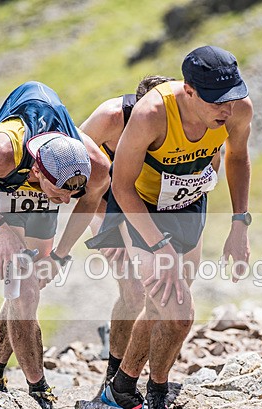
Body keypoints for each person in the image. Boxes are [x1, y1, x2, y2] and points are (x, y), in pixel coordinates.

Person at [87, 46, 253, 409]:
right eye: (217, 102)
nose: (227, 111)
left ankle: (121, 388)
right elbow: (122, 187)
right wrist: (151, 244)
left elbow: (238, 158)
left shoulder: (239, 109)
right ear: (190, 91)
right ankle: (151, 391)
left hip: (190, 206)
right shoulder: (150, 115)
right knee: (178, 311)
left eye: (232, 98)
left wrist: (239, 224)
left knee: (165, 307)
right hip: (141, 209)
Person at [0, 81, 110, 409]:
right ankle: (38, 389)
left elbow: (87, 203)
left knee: (27, 290)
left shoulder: (96, 165)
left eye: (68, 196)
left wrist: (61, 254)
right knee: (24, 290)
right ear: (38, 170)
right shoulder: (0, 155)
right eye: (60, 195)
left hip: (36, 197)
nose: (65, 202)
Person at [80, 74, 177, 391]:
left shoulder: (175, 123)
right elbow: (74, 167)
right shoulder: (110, 117)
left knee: (158, 291)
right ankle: (114, 374)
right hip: (105, 203)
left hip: (145, 206)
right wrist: (107, 223)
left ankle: (137, 372)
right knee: (133, 290)